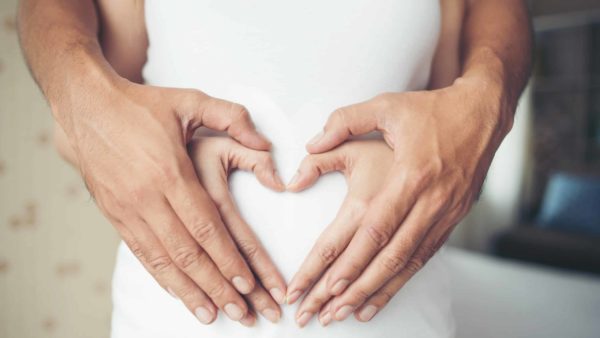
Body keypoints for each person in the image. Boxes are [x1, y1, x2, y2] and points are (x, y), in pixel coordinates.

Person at [17, 0, 532, 337]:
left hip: (402, 318)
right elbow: (86, 131)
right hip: (172, 321)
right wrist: (179, 156)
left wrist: (408, 154)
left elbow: (447, 123)